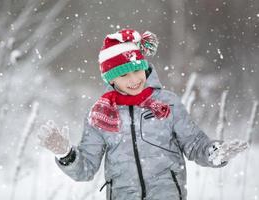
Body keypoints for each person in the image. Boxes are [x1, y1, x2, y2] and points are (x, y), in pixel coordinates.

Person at [38, 29, 249, 200]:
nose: (134, 79)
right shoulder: (100, 115)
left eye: (137, 70)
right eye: (124, 74)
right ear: (111, 80)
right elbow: (86, 170)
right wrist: (66, 154)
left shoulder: (167, 102)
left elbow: (194, 144)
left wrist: (214, 153)